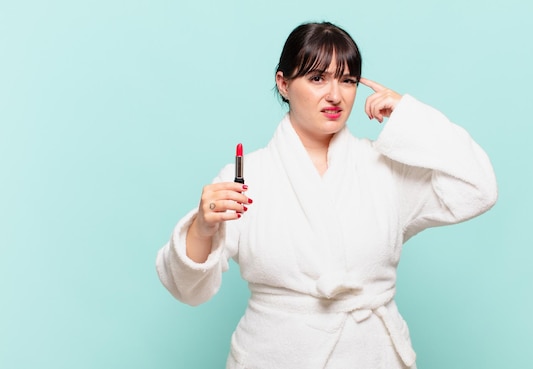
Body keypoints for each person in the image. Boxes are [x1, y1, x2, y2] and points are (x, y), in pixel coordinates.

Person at [156, 21, 497, 369]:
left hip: (372, 355)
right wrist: (202, 229)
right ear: (284, 83)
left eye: (347, 80)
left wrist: (411, 118)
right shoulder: (246, 178)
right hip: (274, 357)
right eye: (317, 78)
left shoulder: (387, 170)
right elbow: (187, 289)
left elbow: (479, 189)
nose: (335, 95)